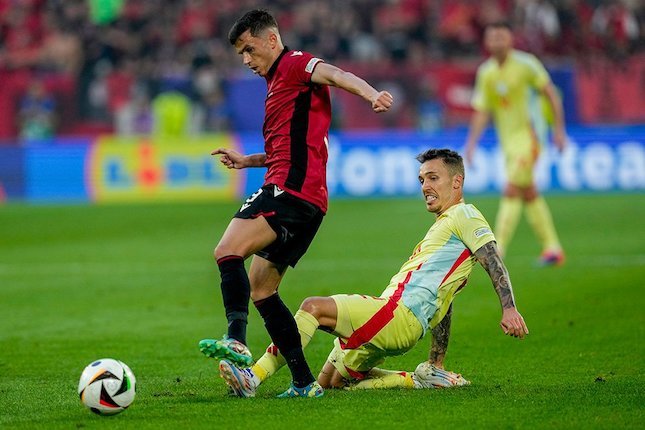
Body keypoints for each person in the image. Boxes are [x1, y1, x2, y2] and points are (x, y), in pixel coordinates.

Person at [217, 149, 529, 397]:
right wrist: (436, 362)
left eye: (433, 178)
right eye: (422, 180)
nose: (426, 187)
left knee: (313, 307)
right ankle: (417, 381)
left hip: (395, 315)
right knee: (331, 381)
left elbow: (492, 258)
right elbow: (443, 303)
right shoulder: (447, 233)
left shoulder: (465, 215)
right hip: (399, 323)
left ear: (457, 182)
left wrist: (509, 307)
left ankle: (252, 376)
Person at [198, 9, 393, 398]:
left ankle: (236, 338)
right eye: (240, 55)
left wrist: (372, 94)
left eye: (249, 50)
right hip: (308, 200)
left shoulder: (295, 64)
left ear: (271, 39)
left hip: (289, 191)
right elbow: (287, 147)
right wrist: (246, 161)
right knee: (262, 289)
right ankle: (304, 383)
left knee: (227, 250)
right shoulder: (278, 84)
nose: (247, 60)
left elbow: (338, 75)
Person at [464, 21, 566, 266]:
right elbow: (482, 110)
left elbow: (550, 93)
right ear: (487, 42)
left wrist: (559, 130)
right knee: (528, 192)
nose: (497, 41)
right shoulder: (486, 72)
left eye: (502, 36)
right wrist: (471, 144)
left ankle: (497, 249)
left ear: (510, 39)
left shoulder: (527, 64)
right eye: (493, 37)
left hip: (531, 137)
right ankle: (553, 248)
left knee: (511, 189)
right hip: (508, 142)